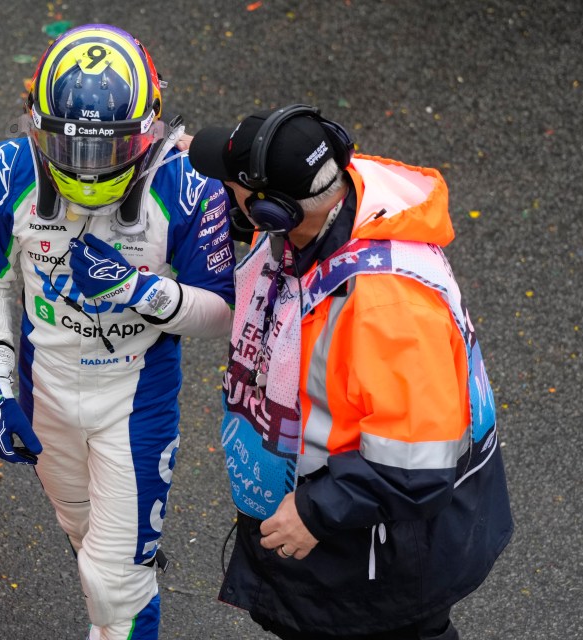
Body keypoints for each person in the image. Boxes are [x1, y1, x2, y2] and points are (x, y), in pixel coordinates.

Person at [185, 105, 513, 640]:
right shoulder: (338, 199)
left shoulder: (385, 309)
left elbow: (415, 466)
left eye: (234, 188)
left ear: (272, 211)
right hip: (355, 542)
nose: (225, 196)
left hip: (377, 561)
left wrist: (315, 512)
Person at [0, 24, 235, 640]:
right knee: (86, 545)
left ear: (151, 128)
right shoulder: (7, 170)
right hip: (45, 390)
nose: (88, 169)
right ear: (37, 127)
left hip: (133, 400)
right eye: (71, 147)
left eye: (108, 150)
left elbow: (221, 312)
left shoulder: (188, 182)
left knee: (115, 576)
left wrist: (140, 292)